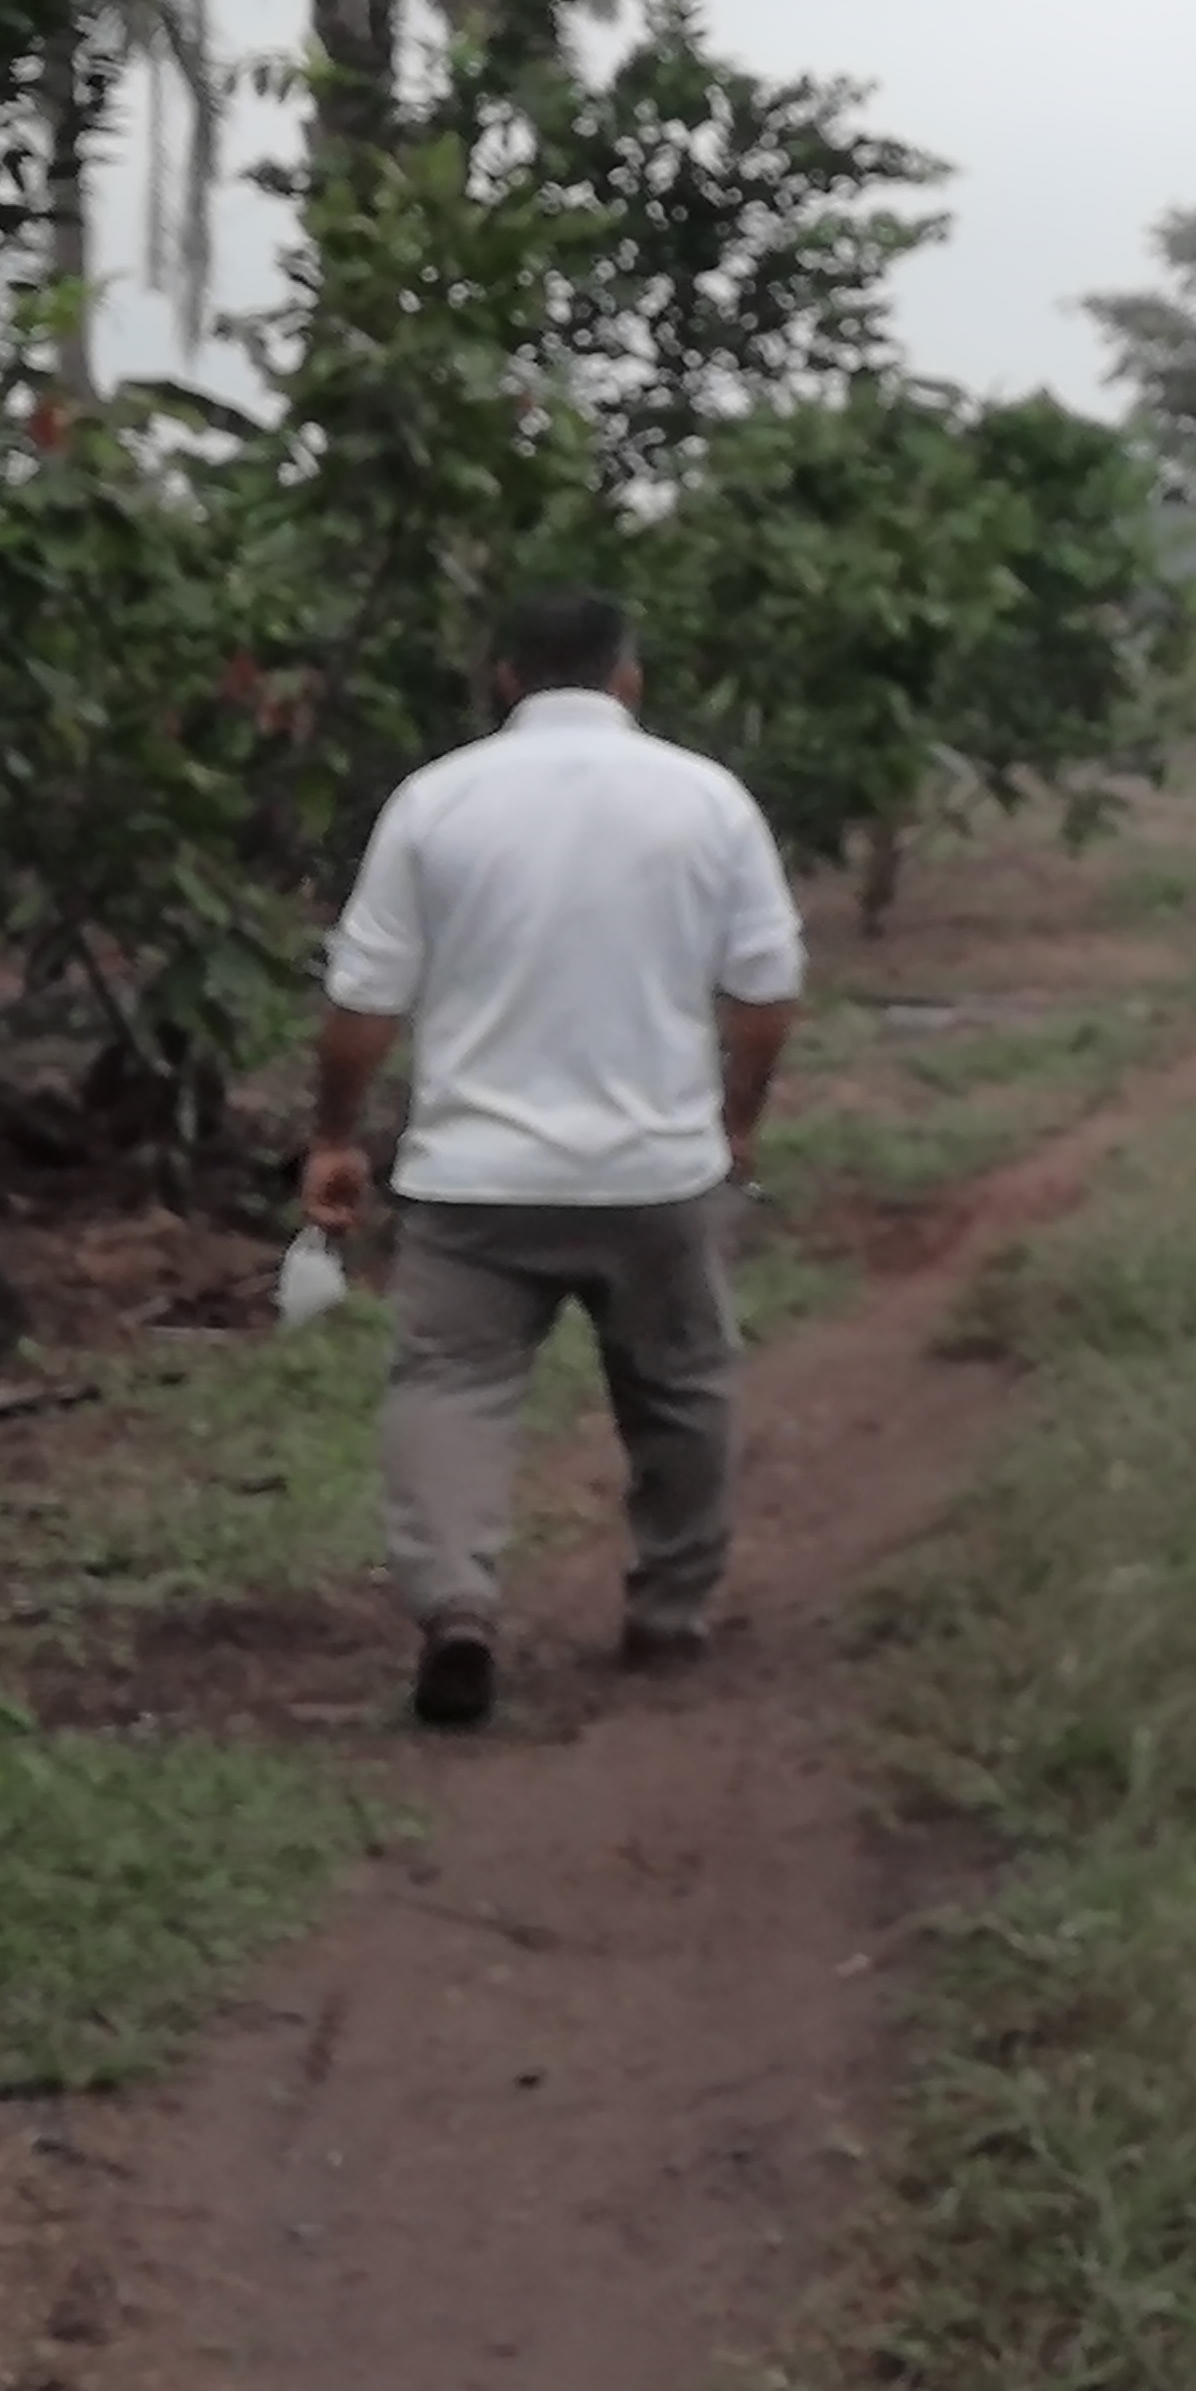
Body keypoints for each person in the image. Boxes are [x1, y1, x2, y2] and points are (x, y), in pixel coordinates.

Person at [300, 588, 802, 1733]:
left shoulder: (436, 800)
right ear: (629, 677)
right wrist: (736, 1122)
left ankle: (457, 1604)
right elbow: (766, 992)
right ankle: (669, 1610)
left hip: (472, 1179)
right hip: (654, 1172)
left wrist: (334, 1136)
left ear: (503, 679)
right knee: (682, 1384)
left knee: (449, 1386)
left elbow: (363, 1002)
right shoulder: (706, 799)